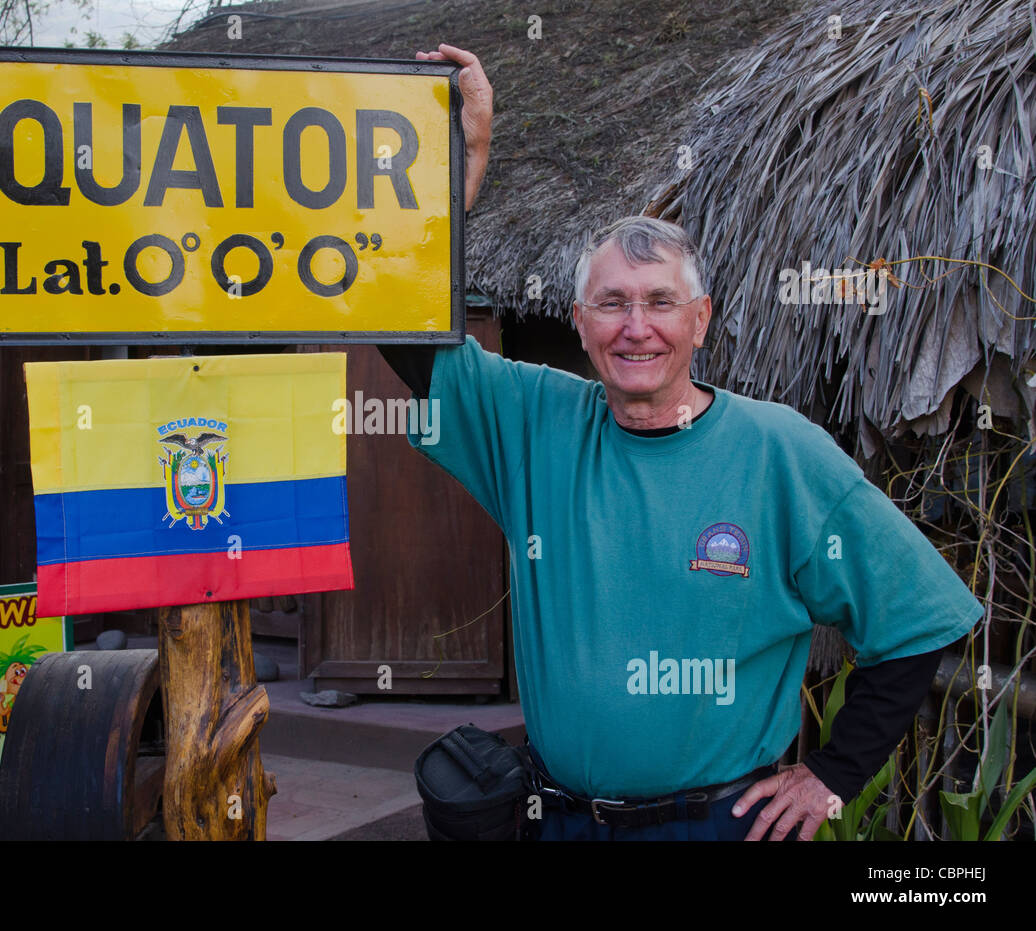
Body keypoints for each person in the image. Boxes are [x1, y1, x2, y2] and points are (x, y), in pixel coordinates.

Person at [384, 45, 983, 841]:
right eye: (612, 304)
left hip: (717, 826)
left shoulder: (778, 451)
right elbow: (408, 327)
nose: (637, 327)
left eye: (661, 302)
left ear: (699, 321)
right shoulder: (533, 421)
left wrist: (833, 775)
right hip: (557, 819)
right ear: (579, 323)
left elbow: (919, 619)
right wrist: (467, 160)